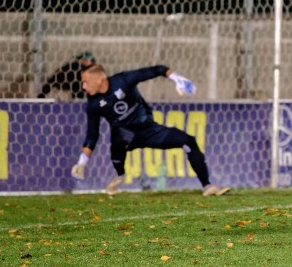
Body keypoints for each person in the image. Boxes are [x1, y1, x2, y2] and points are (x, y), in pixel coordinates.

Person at [70, 64, 230, 197]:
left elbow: (158, 70)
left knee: (188, 141)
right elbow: (92, 135)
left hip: (149, 130)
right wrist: (82, 162)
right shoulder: (93, 104)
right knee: (118, 137)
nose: (83, 86)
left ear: (99, 78)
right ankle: (120, 175)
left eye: (85, 81)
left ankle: (208, 186)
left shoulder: (123, 80)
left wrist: (177, 79)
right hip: (125, 137)